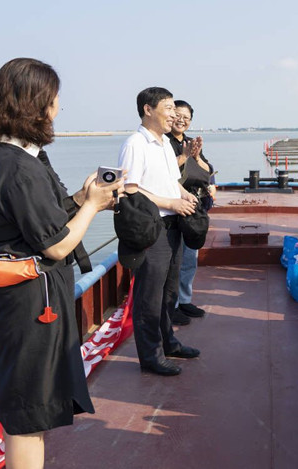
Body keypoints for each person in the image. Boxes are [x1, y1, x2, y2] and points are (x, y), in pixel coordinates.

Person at [0, 58, 123, 469]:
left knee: (28, 404)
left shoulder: (3, 155)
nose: (57, 110)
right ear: (36, 105)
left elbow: (42, 221)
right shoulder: (19, 167)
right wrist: (92, 207)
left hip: (19, 300)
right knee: (29, 412)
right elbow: (56, 246)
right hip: (28, 305)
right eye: (54, 101)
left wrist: (81, 198)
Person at [118, 87, 201, 377]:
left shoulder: (165, 143)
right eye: (168, 108)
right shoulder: (135, 144)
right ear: (148, 109)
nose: (174, 115)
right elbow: (130, 189)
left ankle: (169, 342)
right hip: (152, 228)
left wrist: (183, 195)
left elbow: (172, 180)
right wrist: (170, 203)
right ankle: (150, 356)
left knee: (168, 292)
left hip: (173, 226)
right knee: (149, 296)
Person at [166, 100, 215, 325]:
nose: (181, 120)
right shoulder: (163, 142)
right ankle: (172, 305)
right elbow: (163, 174)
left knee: (189, 258)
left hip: (193, 209)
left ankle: (184, 299)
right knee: (173, 260)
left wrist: (195, 157)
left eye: (186, 117)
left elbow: (208, 170)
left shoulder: (190, 142)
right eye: (178, 115)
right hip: (172, 207)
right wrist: (185, 157)